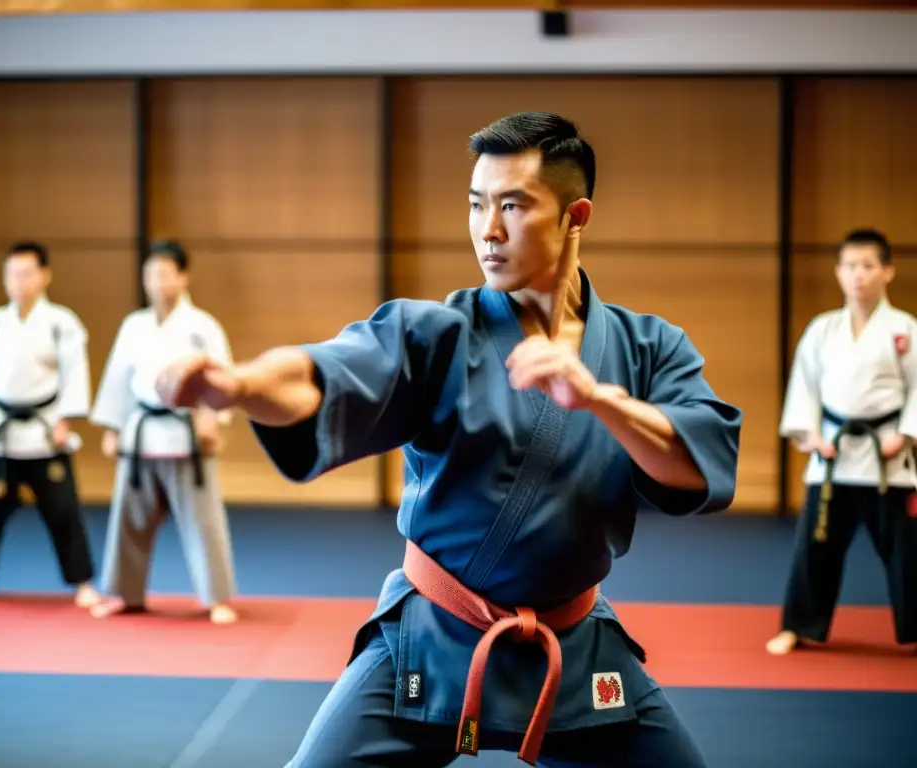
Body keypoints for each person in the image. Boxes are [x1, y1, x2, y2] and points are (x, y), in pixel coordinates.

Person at [156, 112, 741, 767]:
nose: (487, 230)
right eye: (475, 204)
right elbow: (325, 372)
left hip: (573, 648)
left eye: (512, 206)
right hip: (432, 637)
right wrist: (236, 385)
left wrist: (603, 402)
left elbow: (698, 464)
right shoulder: (439, 335)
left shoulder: (648, 349)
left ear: (576, 217)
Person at [767, 228, 917, 656]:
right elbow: (804, 387)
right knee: (815, 547)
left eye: (868, 266)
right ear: (839, 272)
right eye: (850, 266)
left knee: (908, 553)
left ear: (887, 271)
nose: (859, 275)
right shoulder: (823, 330)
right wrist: (811, 435)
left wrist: (904, 434)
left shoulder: (904, 329)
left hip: (889, 458)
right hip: (833, 457)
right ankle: (798, 626)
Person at [88, 240, 238, 625]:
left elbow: (222, 378)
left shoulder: (202, 326)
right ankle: (125, 593)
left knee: (203, 521)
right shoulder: (133, 325)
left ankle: (216, 597)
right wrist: (112, 426)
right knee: (128, 518)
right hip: (142, 431)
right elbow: (118, 378)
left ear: (183, 277)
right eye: (151, 274)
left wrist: (211, 419)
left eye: (166, 273)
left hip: (187, 431)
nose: (158, 281)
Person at [0, 241, 98, 608]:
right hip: (1, 430)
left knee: (63, 511)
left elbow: (75, 373)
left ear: (45, 276)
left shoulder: (62, 323)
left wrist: (66, 420)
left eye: (26, 273)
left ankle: (83, 583)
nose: (18, 281)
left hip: (45, 430)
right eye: (12, 273)